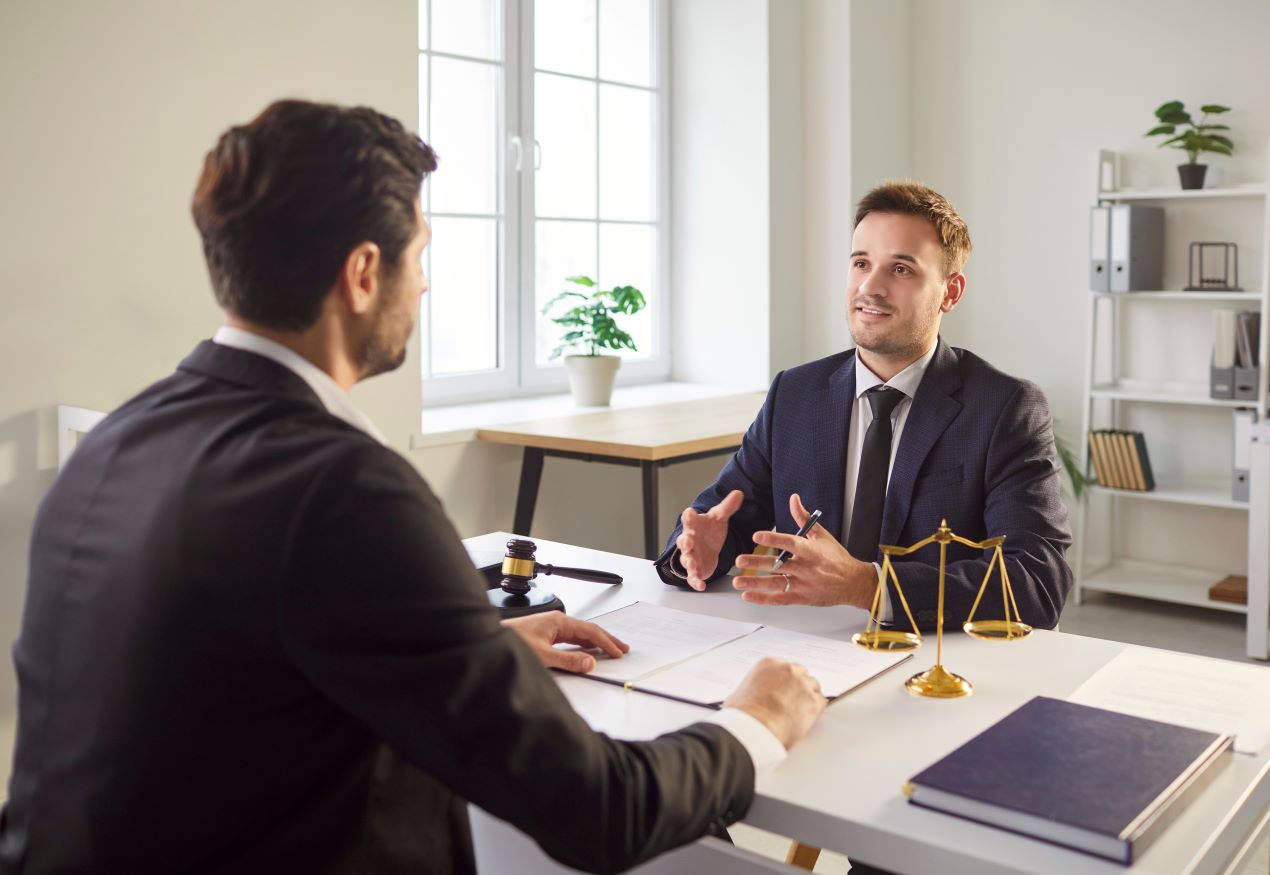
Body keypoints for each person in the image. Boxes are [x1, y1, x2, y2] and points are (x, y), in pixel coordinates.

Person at [0, 100, 827, 875]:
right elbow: (593, 808)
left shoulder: (117, 441)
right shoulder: (345, 490)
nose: (425, 284)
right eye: (421, 255)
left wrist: (479, 651)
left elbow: (235, 677)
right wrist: (755, 722)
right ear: (364, 272)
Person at [656, 181, 1072, 634]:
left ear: (950, 293)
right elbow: (722, 516)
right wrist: (695, 553)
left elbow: (1036, 582)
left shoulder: (1005, 409)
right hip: (801, 649)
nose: (870, 287)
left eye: (901, 269)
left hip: (934, 664)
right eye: (861, 263)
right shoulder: (794, 394)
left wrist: (868, 586)